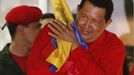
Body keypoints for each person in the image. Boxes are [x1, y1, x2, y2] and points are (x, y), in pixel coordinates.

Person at [27, 0, 126, 75]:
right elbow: (34, 71)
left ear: (107, 23)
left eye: (95, 21)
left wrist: (75, 47)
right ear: (78, 10)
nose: (86, 26)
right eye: (84, 17)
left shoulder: (113, 46)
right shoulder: (52, 31)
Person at [0, 5, 43, 75]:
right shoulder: (1, 64)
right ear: (20, 30)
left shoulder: (46, 58)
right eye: (36, 27)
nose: (41, 31)